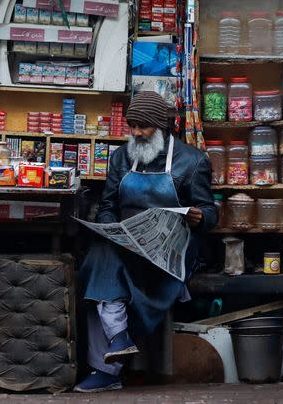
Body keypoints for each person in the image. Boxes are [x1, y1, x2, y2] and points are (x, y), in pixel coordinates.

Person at [74, 91, 217, 393]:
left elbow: (210, 212)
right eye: (132, 126)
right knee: (102, 251)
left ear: (161, 127)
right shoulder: (120, 158)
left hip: (170, 251)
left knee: (102, 264)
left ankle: (109, 363)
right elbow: (108, 205)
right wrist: (111, 229)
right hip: (126, 243)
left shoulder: (192, 161)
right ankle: (118, 341)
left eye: (144, 127)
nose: (136, 133)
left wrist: (199, 217)